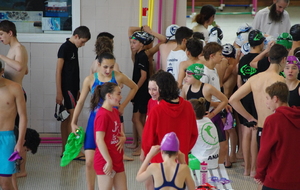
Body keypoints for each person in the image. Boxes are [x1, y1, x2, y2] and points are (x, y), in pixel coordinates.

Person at [71, 52, 137, 190]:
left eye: (111, 67)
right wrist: (73, 121)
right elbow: (81, 101)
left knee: (110, 154)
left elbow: (134, 87)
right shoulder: (90, 79)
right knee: (89, 162)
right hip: (95, 121)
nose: (108, 71)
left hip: (111, 118)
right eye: (105, 67)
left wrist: (123, 105)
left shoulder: (117, 77)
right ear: (98, 65)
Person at [229, 44, 288, 177]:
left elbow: (233, 99)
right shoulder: (280, 80)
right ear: (284, 60)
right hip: (276, 129)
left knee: (261, 174)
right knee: (275, 172)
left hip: (260, 129)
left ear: (268, 59)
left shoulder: (254, 78)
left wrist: (249, 117)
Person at [141, 71, 198, 164]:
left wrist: (148, 155)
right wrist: (183, 150)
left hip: (159, 161)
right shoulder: (188, 106)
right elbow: (194, 134)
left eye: (155, 89)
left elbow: (147, 139)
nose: (151, 92)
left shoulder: (157, 110)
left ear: (162, 89)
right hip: (181, 159)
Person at [254, 82, 300, 190]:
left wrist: (260, 174)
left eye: (267, 98)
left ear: (275, 99)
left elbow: (264, 152)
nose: (266, 102)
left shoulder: (273, 120)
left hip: (276, 179)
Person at [55, 26, 90, 158]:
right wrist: (59, 92)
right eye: (82, 41)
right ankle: (73, 151)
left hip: (73, 89)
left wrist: (77, 90)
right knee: (72, 118)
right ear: (76, 36)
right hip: (67, 88)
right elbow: (58, 70)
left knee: (67, 119)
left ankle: (65, 150)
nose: (83, 44)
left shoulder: (74, 47)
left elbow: (73, 72)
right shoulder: (65, 48)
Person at [0, 20, 29, 179]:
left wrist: (1, 57)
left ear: (10, 33)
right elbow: (26, 70)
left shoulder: (19, 48)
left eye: (1, 34)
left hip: (16, 93)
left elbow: (19, 67)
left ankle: (21, 169)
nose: (0, 38)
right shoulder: (14, 49)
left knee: (17, 133)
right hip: (10, 91)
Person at [237, 30, 264, 176]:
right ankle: (254, 168)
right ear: (261, 43)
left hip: (244, 96)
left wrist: (242, 96)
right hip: (256, 96)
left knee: (246, 131)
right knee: (255, 131)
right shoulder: (262, 60)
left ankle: (246, 169)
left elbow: (239, 80)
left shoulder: (243, 58)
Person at [92, 82, 127, 190]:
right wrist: (108, 160)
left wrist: (123, 138)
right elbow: (99, 139)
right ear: (109, 96)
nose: (121, 97)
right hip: (105, 160)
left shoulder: (115, 112)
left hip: (117, 159)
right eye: (118, 94)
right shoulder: (102, 115)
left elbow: (119, 132)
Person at [0, 61, 27, 190]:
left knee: (5, 182)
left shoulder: (14, 88)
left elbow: (23, 116)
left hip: (6, 138)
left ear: (1, 72)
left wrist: (20, 142)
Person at [189, 98, 220, 169]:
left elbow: (186, 145)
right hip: (213, 161)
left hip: (201, 162)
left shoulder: (194, 125)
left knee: (175, 162)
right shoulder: (208, 120)